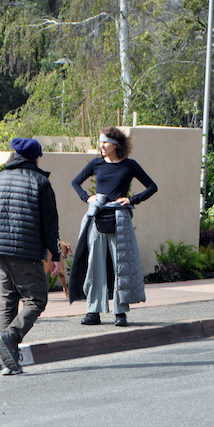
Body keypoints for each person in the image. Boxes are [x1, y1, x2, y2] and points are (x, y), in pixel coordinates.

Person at [0, 138, 62, 376]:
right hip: (26, 251)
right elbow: (50, 224)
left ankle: (6, 362)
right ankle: (9, 338)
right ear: (37, 157)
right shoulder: (41, 182)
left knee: (8, 302)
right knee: (37, 299)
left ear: (15, 155)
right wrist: (56, 254)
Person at [68, 127, 157, 327]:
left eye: (105, 142)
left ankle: (120, 312)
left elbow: (152, 186)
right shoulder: (96, 164)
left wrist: (133, 199)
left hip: (119, 219)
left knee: (121, 266)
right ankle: (93, 311)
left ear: (115, 145)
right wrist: (86, 197)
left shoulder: (130, 166)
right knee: (95, 265)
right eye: (100, 142)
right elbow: (75, 182)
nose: (101, 146)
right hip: (97, 218)